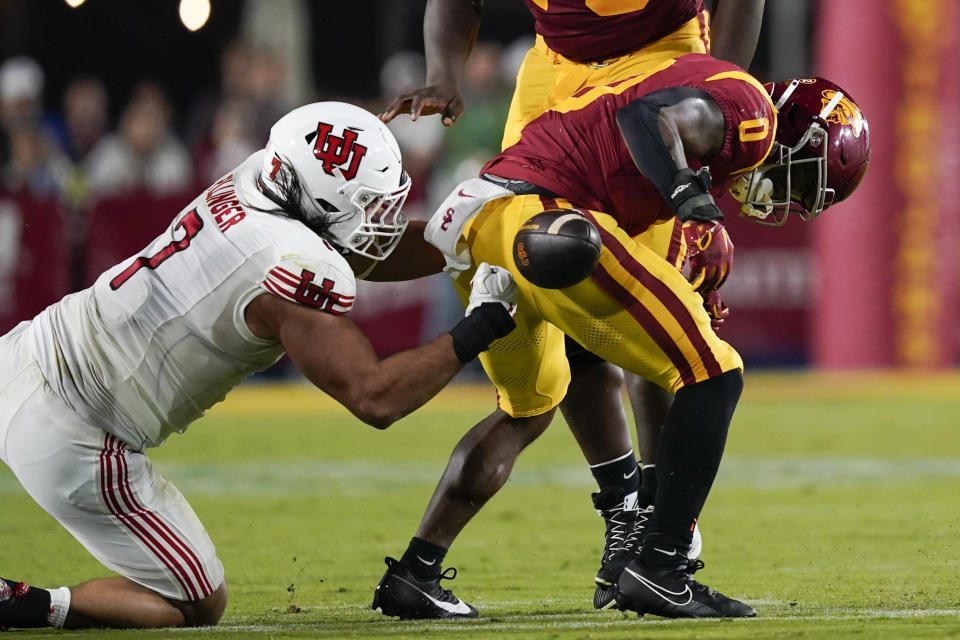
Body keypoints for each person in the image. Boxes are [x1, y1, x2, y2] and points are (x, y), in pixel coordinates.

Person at [372, 57, 870, 620]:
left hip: (481, 220)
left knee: (529, 410)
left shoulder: (682, 88)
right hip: (547, 220)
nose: (788, 194)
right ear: (796, 131)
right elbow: (647, 115)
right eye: (802, 175)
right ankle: (661, 566)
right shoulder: (750, 113)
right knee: (714, 371)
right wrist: (687, 196)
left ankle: (415, 572)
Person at [0, 101, 519, 631]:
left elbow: (357, 247)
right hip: (75, 431)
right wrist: (482, 323)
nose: (377, 220)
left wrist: (468, 241)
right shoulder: (287, 266)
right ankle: (20, 603)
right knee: (197, 602)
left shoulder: (258, 178)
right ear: (320, 198)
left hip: (24, 350)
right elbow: (375, 397)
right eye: (366, 205)